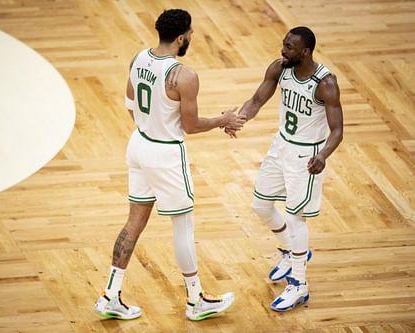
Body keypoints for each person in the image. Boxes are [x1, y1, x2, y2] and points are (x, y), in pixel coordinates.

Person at [94, 9, 244, 321]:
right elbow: (190, 126)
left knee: (133, 222)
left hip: (138, 145)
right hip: (165, 155)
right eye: (189, 33)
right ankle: (195, 301)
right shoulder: (184, 76)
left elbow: (130, 105)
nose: (191, 37)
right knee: (183, 226)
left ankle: (110, 295)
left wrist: (151, 127)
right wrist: (223, 120)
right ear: (180, 37)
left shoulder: (138, 58)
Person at [227, 26, 343, 311]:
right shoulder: (280, 68)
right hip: (281, 146)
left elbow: (337, 130)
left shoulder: (325, 83)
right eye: (283, 44)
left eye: (289, 47)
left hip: (306, 156)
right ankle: (290, 251)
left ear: (305, 51)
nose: (283, 50)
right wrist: (237, 118)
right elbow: (256, 101)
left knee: (296, 217)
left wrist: (323, 155)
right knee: (260, 205)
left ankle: (300, 286)